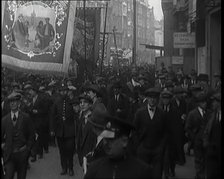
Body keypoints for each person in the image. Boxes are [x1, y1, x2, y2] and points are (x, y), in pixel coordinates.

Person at [84, 115, 152, 179]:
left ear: (124, 141)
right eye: (105, 138)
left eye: (111, 139)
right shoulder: (94, 169)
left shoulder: (142, 172)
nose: (105, 143)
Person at [133, 87, 167, 179]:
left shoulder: (162, 113)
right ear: (147, 98)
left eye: (154, 98)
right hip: (143, 149)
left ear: (157, 99)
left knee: (156, 175)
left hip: (157, 150)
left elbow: (165, 132)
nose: (152, 100)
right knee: (143, 175)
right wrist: (138, 146)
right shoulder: (140, 113)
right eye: (150, 97)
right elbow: (134, 130)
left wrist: (161, 147)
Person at [1, 92, 35, 179]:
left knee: (21, 176)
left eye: (15, 101)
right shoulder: (4, 120)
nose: (12, 103)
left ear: (19, 103)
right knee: (8, 176)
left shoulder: (26, 117)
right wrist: (3, 146)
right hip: (9, 155)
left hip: (22, 154)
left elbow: (31, 135)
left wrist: (28, 149)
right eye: (10, 102)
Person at [49, 84, 76, 176]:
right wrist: (52, 129)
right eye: (62, 91)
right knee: (62, 151)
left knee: (70, 150)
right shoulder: (56, 102)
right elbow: (52, 116)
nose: (64, 92)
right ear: (59, 92)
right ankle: (64, 168)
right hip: (60, 131)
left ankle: (71, 168)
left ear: (68, 92)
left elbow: (76, 114)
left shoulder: (72, 101)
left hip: (70, 130)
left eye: (65, 91)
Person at [185, 93, 208, 179]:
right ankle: (199, 175)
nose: (204, 104)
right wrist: (193, 138)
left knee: (205, 159)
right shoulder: (192, 114)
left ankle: (201, 174)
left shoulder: (208, 113)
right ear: (199, 103)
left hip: (206, 141)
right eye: (202, 102)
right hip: (197, 140)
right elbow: (187, 127)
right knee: (198, 159)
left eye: (205, 102)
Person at [203, 92, 221, 179]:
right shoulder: (212, 115)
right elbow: (207, 130)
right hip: (211, 148)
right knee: (211, 173)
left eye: (215, 102)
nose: (212, 104)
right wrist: (206, 142)